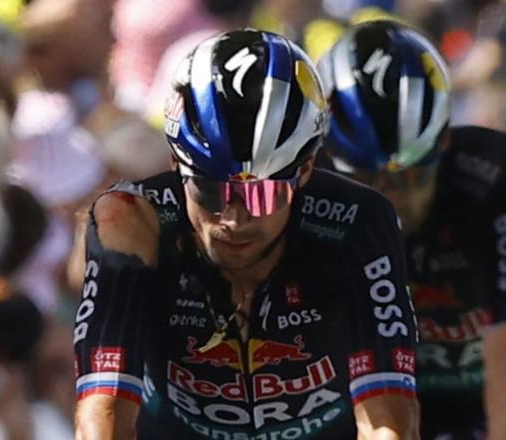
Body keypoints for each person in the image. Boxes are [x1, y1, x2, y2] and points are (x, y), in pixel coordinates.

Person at [74, 29, 419, 439]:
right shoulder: (133, 221)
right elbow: (103, 415)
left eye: (263, 195)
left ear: (305, 171)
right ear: (175, 164)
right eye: (209, 190)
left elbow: (388, 424)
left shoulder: (356, 222)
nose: (234, 219)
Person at [317, 20, 506, 439]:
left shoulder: (497, 176)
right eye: (366, 182)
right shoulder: (305, 189)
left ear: (443, 144)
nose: (388, 198)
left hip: (471, 412)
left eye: (408, 177)